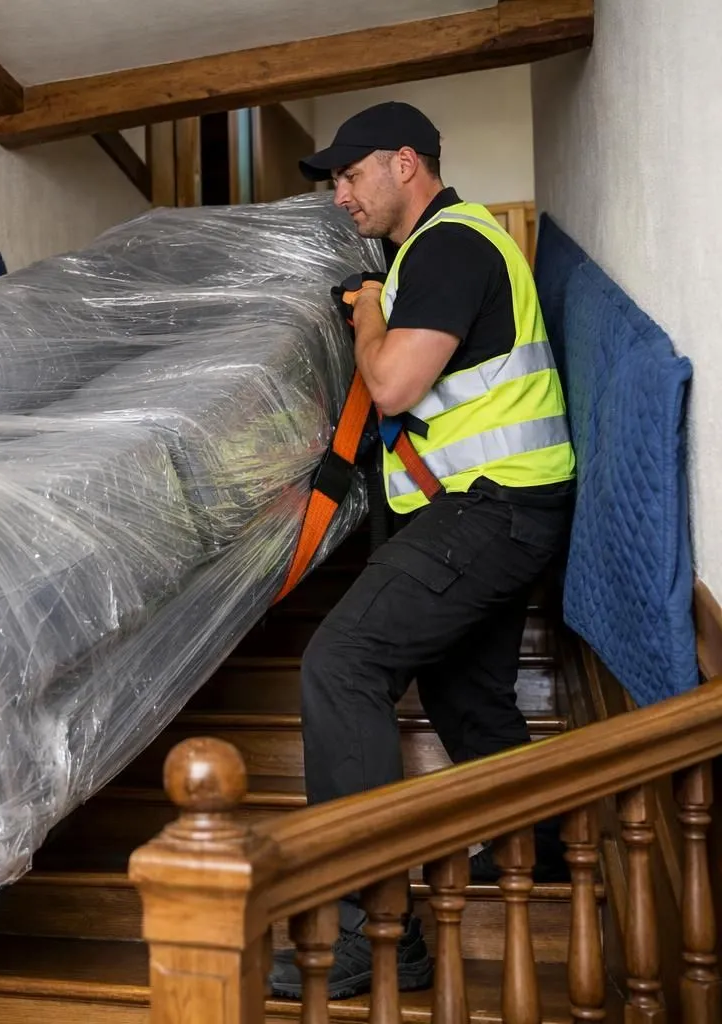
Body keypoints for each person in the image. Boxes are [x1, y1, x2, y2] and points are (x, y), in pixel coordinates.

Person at [268, 102, 577, 1000]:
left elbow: (396, 380)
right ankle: (542, 845)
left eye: (350, 174)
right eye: (333, 180)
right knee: (464, 690)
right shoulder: (426, 255)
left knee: (342, 662)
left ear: (406, 162)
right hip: (504, 508)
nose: (339, 195)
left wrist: (366, 313)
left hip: (494, 510)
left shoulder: (450, 245)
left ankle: (378, 933)